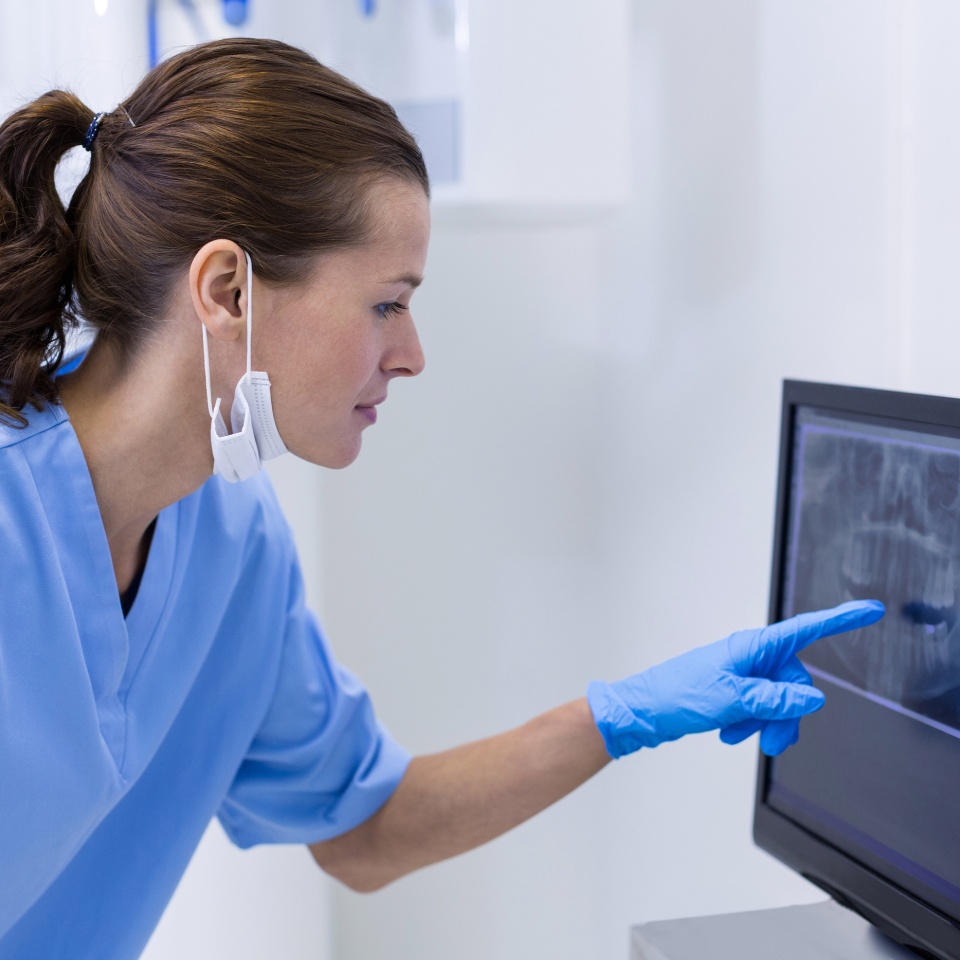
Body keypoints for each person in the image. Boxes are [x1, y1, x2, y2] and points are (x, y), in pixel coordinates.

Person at [0, 37, 884, 960]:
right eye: (387, 303)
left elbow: (365, 830)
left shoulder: (231, 540)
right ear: (228, 290)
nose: (412, 353)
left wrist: (619, 717)